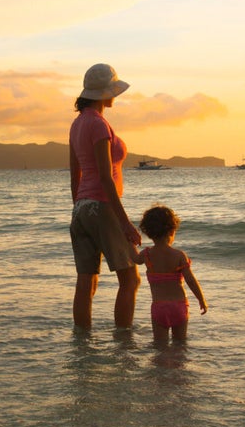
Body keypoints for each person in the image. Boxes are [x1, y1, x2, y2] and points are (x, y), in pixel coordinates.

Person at [69, 63, 142, 330]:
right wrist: (124, 223)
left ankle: (82, 347)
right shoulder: (98, 125)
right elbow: (104, 176)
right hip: (102, 206)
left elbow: (74, 175)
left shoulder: (77, 124)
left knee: (86, 280)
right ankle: (124, 345)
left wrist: (78, 208)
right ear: (105, 93)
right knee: (130, 279)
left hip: (81, 209)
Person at [131, 204, 208, 343]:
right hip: (179, 306)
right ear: (172, 231)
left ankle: (160, 365)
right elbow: (191, 280)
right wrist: (201, 299)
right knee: (180, 345)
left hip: (159, 307)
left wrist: (130, 243)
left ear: (148, 233)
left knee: (160, 346)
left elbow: (135, 259)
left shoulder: (147, 254)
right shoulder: (179, 255)